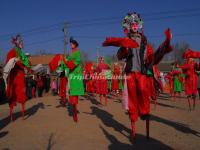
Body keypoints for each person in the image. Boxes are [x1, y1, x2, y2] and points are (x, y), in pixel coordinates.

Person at [103, 12, 172, 140]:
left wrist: (161, 51)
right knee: (132, 97)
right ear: (129, 27)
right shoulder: (126, 40)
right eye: (132, 24)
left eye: (136, 24)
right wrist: (123, 47)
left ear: (139, 26)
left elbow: (151, 56)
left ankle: (144, 112)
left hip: (141, 72)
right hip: (130, 73)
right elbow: (119, 56)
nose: (134, 26)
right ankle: (133, 120)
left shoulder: (144, 41)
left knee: (142, 90)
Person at [5, 34, 32, 121]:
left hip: (20, 76)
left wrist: (30, 68)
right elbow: (9, 62)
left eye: (22, 42)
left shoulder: (23, 54)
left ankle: (23, 114)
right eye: (20, 42)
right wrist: (16, 61)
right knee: (13, 94)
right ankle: (11, 116)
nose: (22, 44)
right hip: (14, 75)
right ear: (17, 43)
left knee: (22, 93)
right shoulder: (12, 52)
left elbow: (27, 64)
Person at [63, 37, 85, 122]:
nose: (71, 45)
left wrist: (67, 62)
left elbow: (75, 63)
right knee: (72, 93)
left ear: (75, 45)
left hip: (75, 75)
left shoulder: (77, 53)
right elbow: (67, 62)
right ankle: (74, 111)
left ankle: (75, 114)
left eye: (72, 43)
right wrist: (63, 61)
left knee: (74, 94)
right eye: (70, 44)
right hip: (71, 75)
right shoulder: (71, 54)